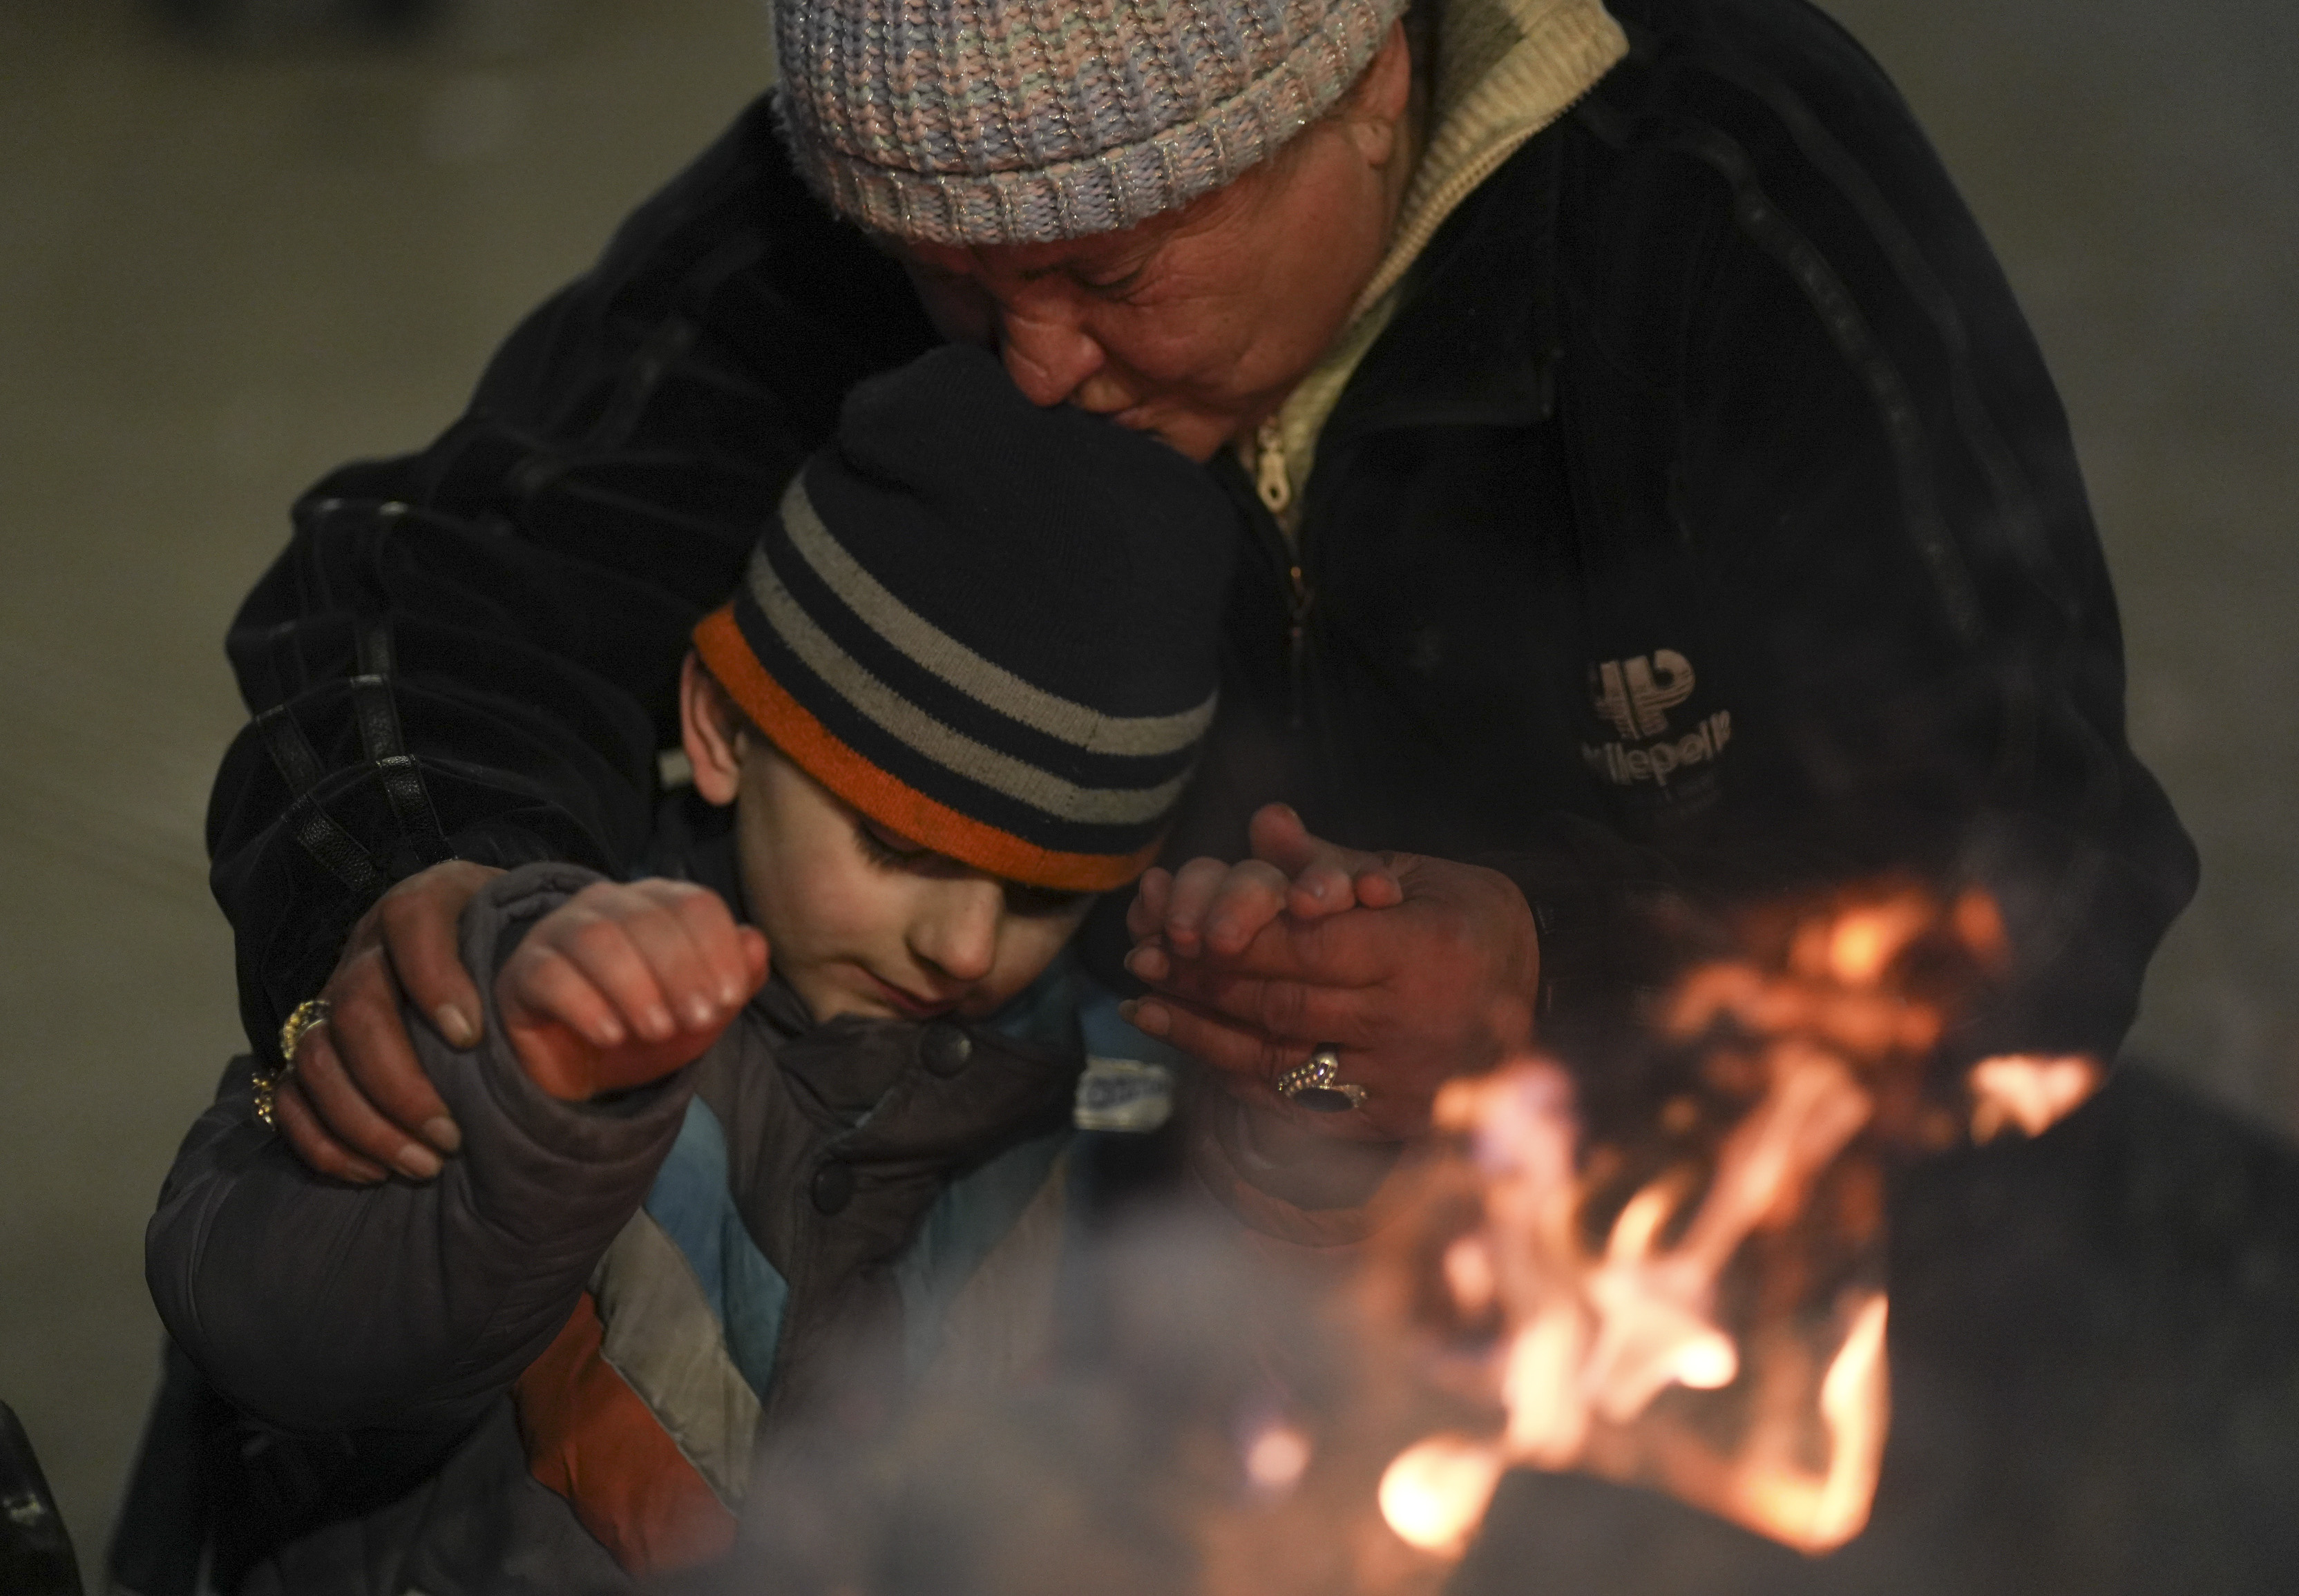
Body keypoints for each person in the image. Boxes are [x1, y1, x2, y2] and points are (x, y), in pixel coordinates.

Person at [215, 0, 2193, 1238]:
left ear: (1367, 87)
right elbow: (439, 584)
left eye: (1112, 271)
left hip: (1660, 1285)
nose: (1039, 366)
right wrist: (422, 893)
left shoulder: (1714, 191)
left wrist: (1557, 978)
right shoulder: (911, 188)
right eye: (953, 288)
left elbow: (2043, 869)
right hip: (1046, 1282)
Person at [141, 348, 1241, 1590]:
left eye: (1047, 892)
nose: (966, 946)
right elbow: (265, 1320)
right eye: (895, 845)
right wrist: (527, 1098)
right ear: (720, 727)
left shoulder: (1124, 1093)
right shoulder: (524, 972)